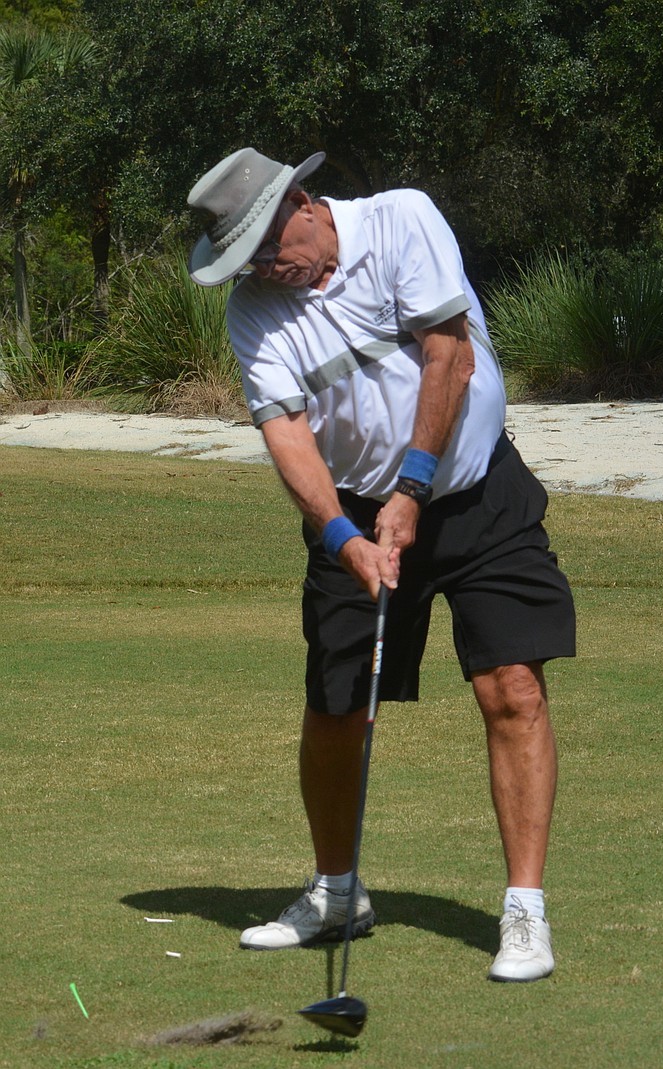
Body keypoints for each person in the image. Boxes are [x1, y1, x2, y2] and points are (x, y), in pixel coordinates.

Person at [186, 147, 576, 982]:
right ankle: (337, 889)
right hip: (357, 512)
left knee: (511, 688)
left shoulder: (403, 220)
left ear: (304, 201)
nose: (265, 269)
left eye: (267, 247)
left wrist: (415, 484)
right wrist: (340, 535)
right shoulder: (256, 309)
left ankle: (525, 912)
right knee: (336, 705)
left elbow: (450, 357)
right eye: (247, 261)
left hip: (473, 493)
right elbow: (286, 430)